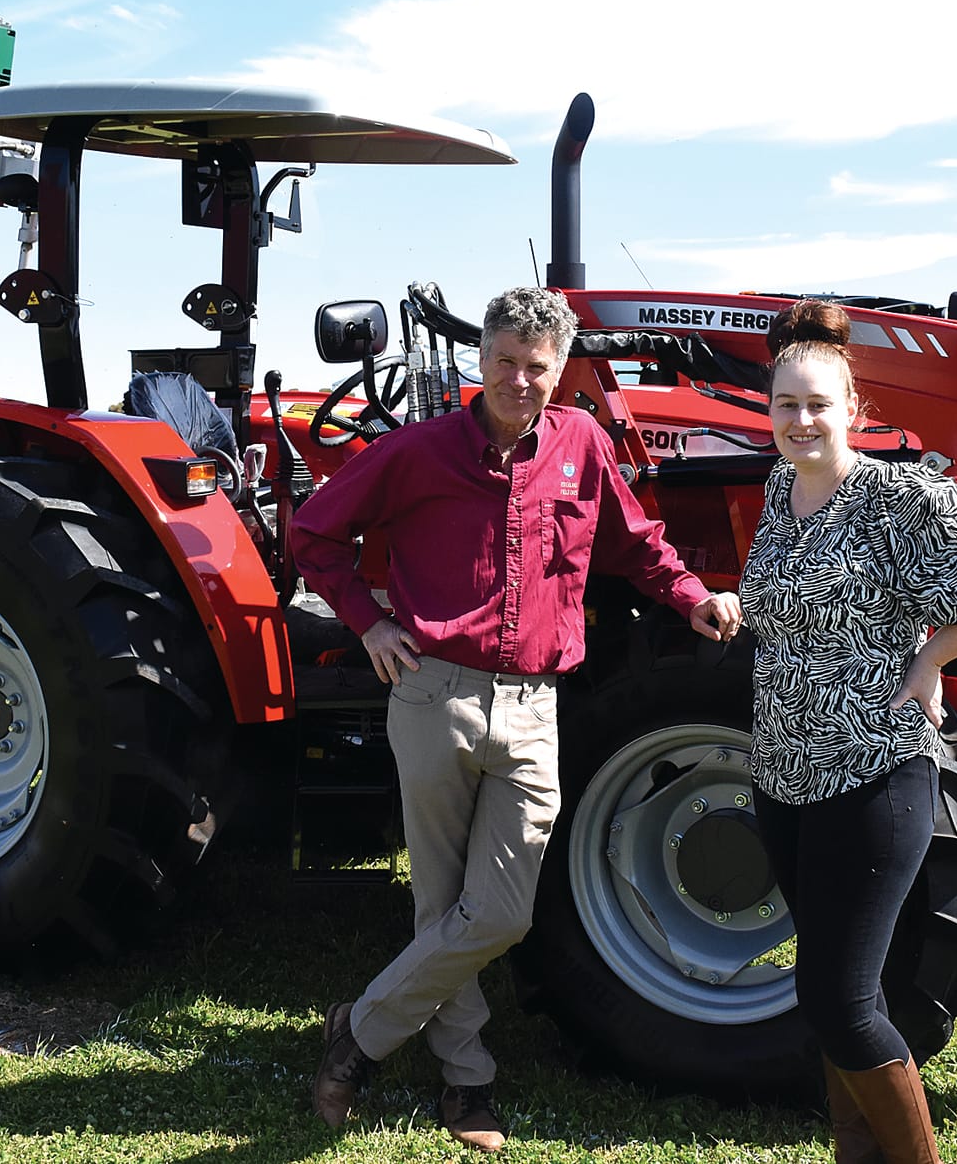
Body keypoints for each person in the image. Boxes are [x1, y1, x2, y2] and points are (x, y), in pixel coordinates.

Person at [293, 286, 742, 1153]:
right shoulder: (417, 451)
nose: (519, 381)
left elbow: (637, 541)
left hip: (535, 704)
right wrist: (370, 622)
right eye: (504, 362)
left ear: (559, 370)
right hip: (435, 694)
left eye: (537, 368)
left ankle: (359, 1031)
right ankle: (468, 1083)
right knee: (441, 903)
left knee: (500, 911)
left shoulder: (582, 445)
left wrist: (689, 597)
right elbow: (314, 535)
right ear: (483, 360)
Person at [742, 300, 957, 1164]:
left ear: (854, 409)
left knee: (841, 1001)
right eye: (784, 406)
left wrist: (931, 661)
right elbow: (807, 607)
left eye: (817, 405)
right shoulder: (781, 489)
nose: (800, 421)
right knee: (835, 993)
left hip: (873, 773)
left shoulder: (893, 496)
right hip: (785, 776)